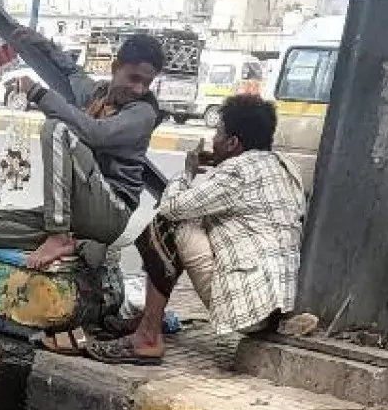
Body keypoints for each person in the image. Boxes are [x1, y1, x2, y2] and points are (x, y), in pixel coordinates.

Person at [95, 94, 308, 365]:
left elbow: (170, 208)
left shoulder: (237, 170)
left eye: (219, 132)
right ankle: (149, 318)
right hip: (276, 304)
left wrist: (187, 172)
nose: (214, 138)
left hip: (247, 309)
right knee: (194, 219)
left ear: (233, 143)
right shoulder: (285, 167)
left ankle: (148, 336)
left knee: (168, 224)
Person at [0, 30, 164, 285]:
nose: (138, 89)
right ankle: (80, 244)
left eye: (146, 83)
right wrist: (45, 45)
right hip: (79, 212)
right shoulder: (98, 94)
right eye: (134, 78)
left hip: (111, 211)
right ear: (116, 67)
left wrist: (38, 93)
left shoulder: (143, 113)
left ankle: (59, 236)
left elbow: (96, 134)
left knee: (56, 129)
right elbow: (73, 73)